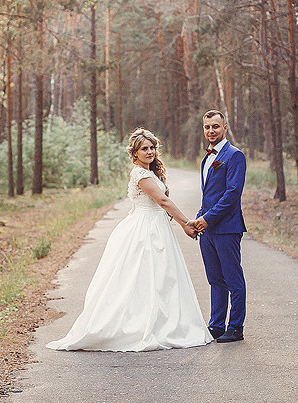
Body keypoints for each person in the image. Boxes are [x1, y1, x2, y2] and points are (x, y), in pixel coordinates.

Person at [47, 129, 214, 352]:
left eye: (152, 148)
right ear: (134, 153)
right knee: (140, 276)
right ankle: (136, 325)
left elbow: (161, 204)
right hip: (145, 230)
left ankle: (161, 320)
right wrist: (186, 222)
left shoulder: (150, 172)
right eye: (144, 149)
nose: (149, 152)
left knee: (161, 277)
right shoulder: (140, 175)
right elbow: (163, 201)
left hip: (156, 227)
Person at [192, 110, 247, 342]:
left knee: (233, 279)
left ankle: (235, 327)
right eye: (207, 127)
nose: (211, 131)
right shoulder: (207, 158)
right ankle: (216, 325)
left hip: (227, 228)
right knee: (215, 279)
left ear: (225, 127)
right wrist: (199, 218)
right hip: (208, 229)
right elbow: (209, 194)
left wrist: (208, 218)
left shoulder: (234, 156)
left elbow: (232, 193)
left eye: (215, 126)